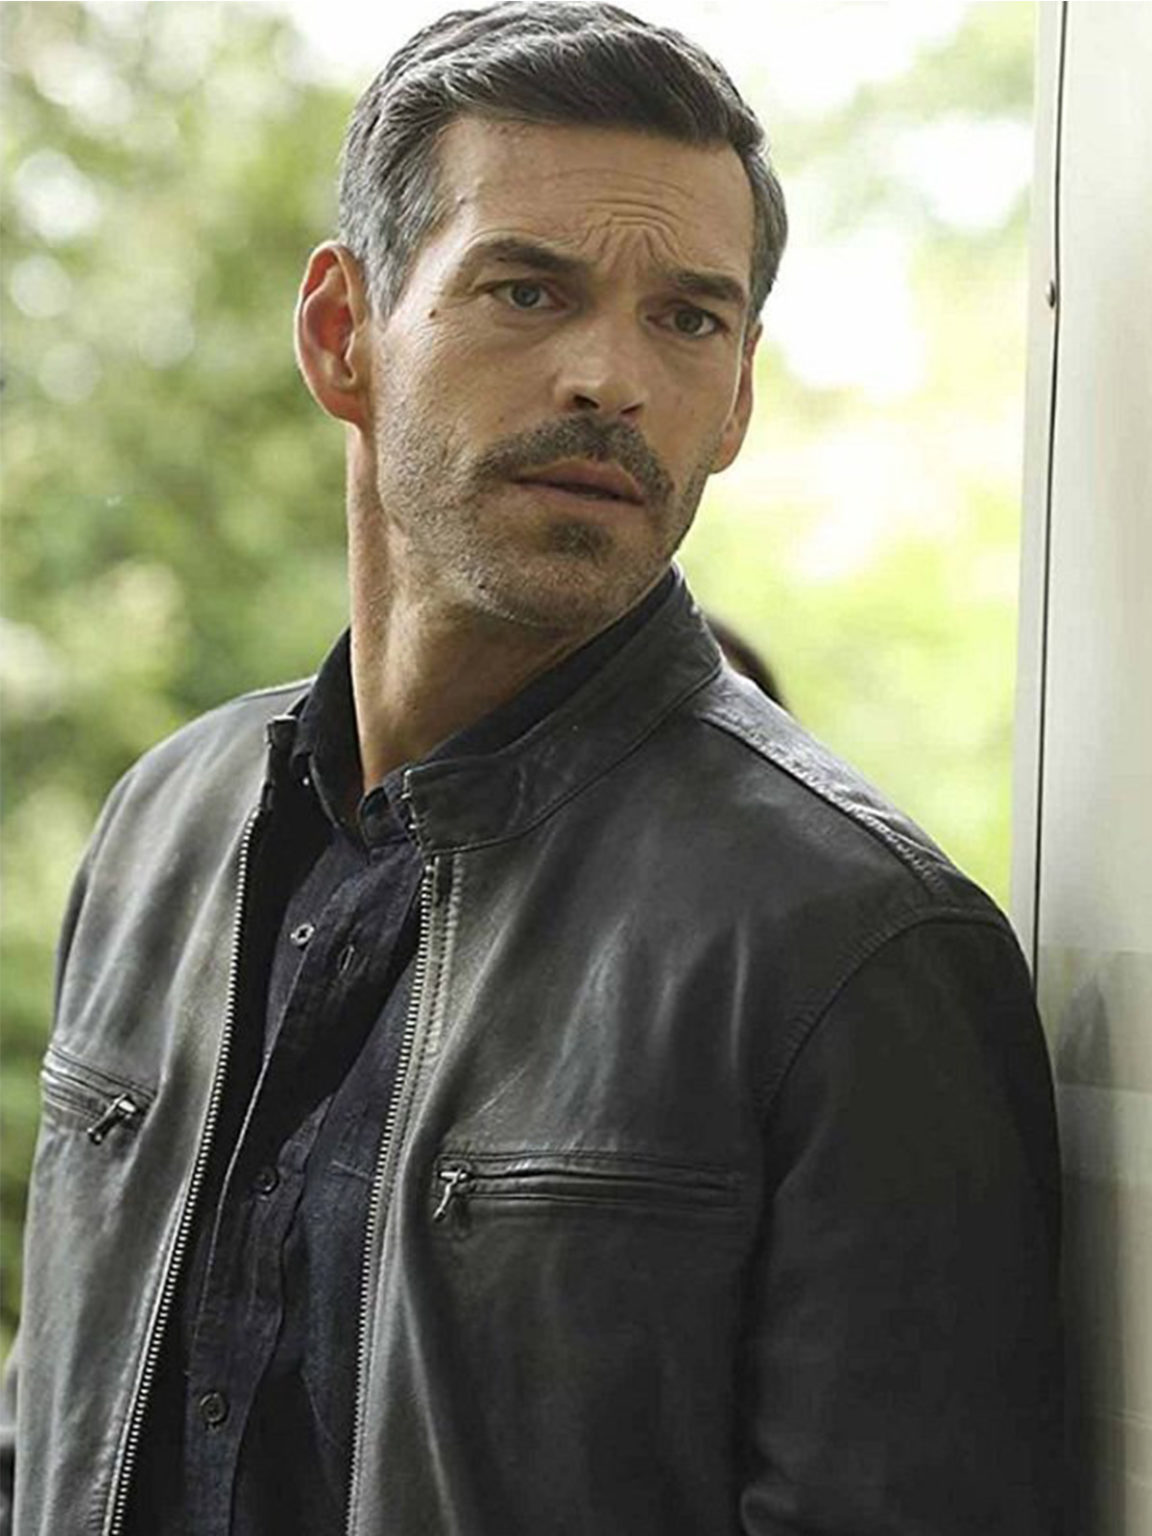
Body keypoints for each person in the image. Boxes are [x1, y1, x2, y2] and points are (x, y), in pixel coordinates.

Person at [1, 4, 1063, 1533]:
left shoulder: (857, 948)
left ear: (739, 398)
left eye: (687, 320)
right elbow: (55, 1423)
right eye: (528, 290)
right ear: (342, 333)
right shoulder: (166, 825)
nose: (610, 379)